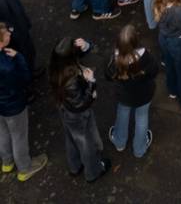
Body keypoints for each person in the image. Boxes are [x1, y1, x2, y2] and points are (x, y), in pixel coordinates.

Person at [49, 36, 110, 182]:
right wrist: (90, 82)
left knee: (71, 138)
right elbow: (81, 103)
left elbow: (76, 57)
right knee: (86, 143)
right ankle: (93, 172)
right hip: (78, 115)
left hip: (64, 109)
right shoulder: (72, 79)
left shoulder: (56, 66)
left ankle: (75, 166)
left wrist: (86, 46)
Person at [0, 21, 47, 181]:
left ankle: (7, 162)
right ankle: (24, 168)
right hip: (13, 106)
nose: (9, 33)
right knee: (18, 136)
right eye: (6, 33)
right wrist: (18, 57)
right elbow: (25, 78)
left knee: (3, 132)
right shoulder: (7, 65)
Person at [104, 24, 159, 158]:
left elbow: (108, 75)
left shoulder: (114, 59)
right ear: (136, 41)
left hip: (124, 95)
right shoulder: (145, 57)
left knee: (123, 112)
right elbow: (154, 72)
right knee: (141, 117)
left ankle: (119, 141)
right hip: (143, 94)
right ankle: (139, 149)